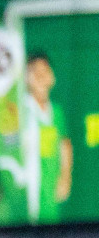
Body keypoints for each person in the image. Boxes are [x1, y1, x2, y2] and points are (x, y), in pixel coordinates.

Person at [21, 52, 73, 225]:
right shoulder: (20, 112)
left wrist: (66, 176)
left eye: (45, 71)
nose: (40, 76)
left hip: (51, 196)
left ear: (52, 78)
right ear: (26, 78)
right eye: (34, 71)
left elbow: (64, 143)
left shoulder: (56, 112)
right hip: (27, 198)